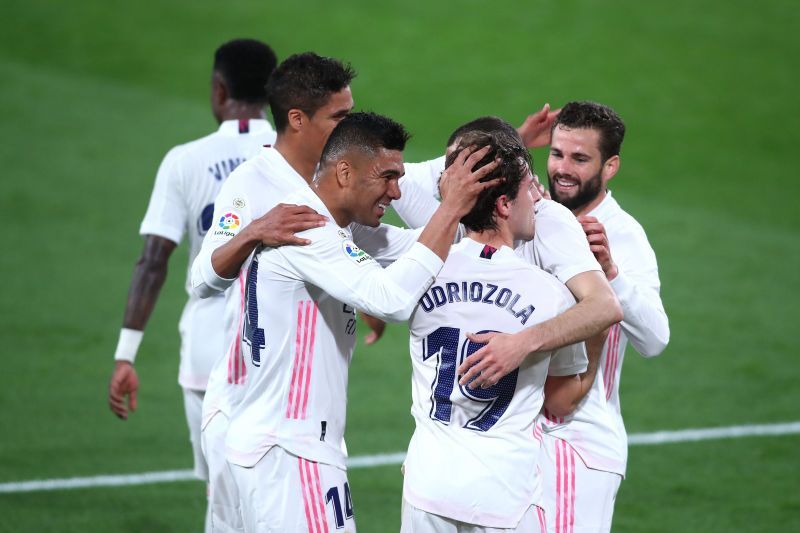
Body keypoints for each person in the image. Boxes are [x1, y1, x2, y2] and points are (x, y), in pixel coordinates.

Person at [220, 111, 499, 532]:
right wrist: (452, 206)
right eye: (386, 176)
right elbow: (391, 299)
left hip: (274, 445)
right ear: (345, 172)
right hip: (293, 451)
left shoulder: (333, 226)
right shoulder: (310, 231)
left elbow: (421, 249)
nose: (396, 191)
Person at [105, 39, 322, 532]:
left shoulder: (184, 160)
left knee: (222, 498)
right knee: (276, 492)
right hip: (278, 354)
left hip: (207, 356)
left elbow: (152, 260)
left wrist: (126, 354)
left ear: (219, 88)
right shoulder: (297, 157)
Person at [402, 130, 603, 532]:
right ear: (504, 204)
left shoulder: (420, 270)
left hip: (426, 487)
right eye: (529, 189)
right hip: (503, 497)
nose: (539, 198)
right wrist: (594, 338)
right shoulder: (551, 296)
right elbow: (562, 401)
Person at [387, 115, 623, 387]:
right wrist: (523, 344)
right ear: (504, 203)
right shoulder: (553, 295)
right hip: (539, 419)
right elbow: (604, 309)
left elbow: (389, 183)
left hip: (438, 428)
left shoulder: (423, 260)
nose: (536, 193)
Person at [538, 101, 670, 532]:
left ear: (609, 166)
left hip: (578, 441)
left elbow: (655, 339)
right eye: (557, 154)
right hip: (516, 437)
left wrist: (610, 273)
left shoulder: (623, 235)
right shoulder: (532, 215)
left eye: (580, 159)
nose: (563, 169)